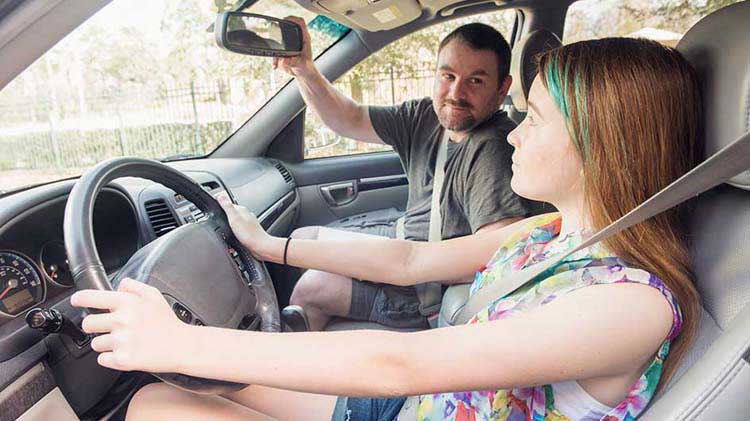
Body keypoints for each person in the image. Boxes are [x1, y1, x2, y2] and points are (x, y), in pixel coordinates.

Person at [72, 38, 702, 420]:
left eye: (532, 119)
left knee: (160, 403)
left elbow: (404, 361)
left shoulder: (630, 304)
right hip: (413, 408)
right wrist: (270, 245)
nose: (511, 132)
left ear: (601, 146)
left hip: (408, 393)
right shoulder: (551, 231)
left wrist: (183, 342)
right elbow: (409, 263)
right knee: (171, 391)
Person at [278, 19, 536, 331]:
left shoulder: (493, 149)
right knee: (303, 241)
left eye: (476, 81)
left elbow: (497, 255)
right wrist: (305, 70)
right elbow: (350, 119)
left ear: (502, 88)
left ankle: (297, 375)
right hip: (403, 244)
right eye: (448, 76)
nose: (456, 93)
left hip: (424, 288)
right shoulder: (425, 117)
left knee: (312, 289)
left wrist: (394, 265)